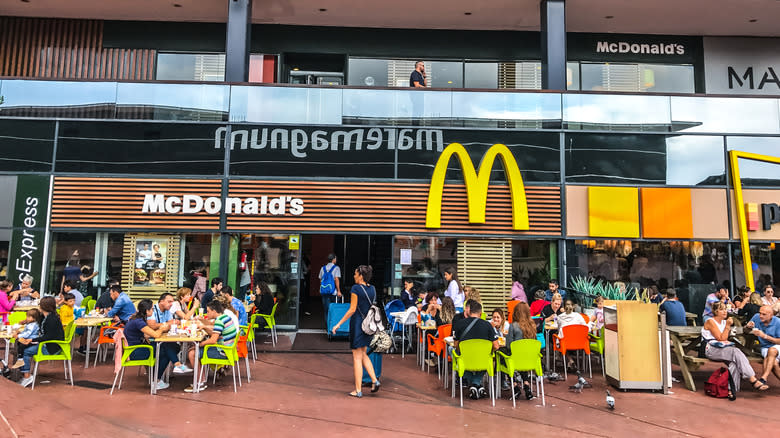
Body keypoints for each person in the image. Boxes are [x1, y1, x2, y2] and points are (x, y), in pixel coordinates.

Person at [331, 265, 381, 398]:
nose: (354, 276)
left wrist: (338, 324)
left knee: (357, 357)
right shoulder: (373, 289)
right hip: (368, 325)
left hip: (358, 324)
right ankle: (375, 380)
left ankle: (358, 390)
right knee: (364, 353)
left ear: (360, 276)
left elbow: (352, 309)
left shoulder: (356, 288)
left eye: (355, 274)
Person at [701, 302, 767, 394]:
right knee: (736, 351)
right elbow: (721, 338)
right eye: (721, 309)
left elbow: (726, 337)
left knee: (734, 363)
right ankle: (752, 379)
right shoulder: (710, 321)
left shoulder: (724, 322)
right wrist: (728, 326)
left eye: (725, 309)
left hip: (722, 349)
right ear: (716, 311)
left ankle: (731, 390)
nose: (725, 311)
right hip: (711, 349)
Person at [185, 299, 238, 393]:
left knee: (192, 353)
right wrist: (205, 327)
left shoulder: (219, 321)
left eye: (208, 311)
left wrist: (199, 345)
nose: (207, 313)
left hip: (222, 352)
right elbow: (215, 334)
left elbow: (213, 340)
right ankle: (202, 379)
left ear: (214, 311)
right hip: (228, 350)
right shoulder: (225, 317)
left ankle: (200, 382)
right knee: (196, 350)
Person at [452, 299, 498, 400]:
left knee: (455, 356)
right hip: (483, 360)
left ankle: (474, 383)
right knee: (491, 359)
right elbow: (496, 346)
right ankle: (477, 383)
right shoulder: (488, 325)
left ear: (469, 312)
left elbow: (456, 345)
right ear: (481, 313)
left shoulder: (459, 324)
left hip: (466, 359)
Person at [18, 296, 64, 388]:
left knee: (26, 351)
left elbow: (48, 336)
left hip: (51, 347)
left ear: (43, 307)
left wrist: (32, 340)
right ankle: (23, 371)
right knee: (22, 346)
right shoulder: (47, 316)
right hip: (48, 344)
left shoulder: (51, 320)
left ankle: (27, 376)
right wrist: (26, 322)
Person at [504, 302, 538, 400]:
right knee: (522, 358)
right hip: (529, 359)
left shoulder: (513, 326)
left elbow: (509, 345)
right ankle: (526, 384)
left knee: (503, 356)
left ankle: (514, 385)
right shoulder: (533, 326)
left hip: (516, 359)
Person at [746, 306, 780, 386]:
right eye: (760, 313)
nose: (760, 316)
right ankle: (763, 379)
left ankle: (764, 378)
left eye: (764, 314)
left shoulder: (778, 322)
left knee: (772, 350)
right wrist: (747, 326)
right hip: (765, 347)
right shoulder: (756, 317)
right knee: (773, 363)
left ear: (771, 315)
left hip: (777, 346)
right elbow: (746, 331)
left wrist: (764, 336)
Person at [319, 254, 342, 324]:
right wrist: (339, 291)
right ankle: (333, 325)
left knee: (326, 310)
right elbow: (336, 279)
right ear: (333, 259)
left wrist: (323, 289)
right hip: (333, 292)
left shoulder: (323, 268)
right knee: (334, 310)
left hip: (325, 292)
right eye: (336, 258)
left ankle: (327, 327)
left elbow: (320, 280)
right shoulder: (336, 268)